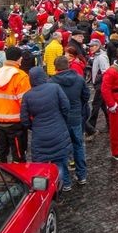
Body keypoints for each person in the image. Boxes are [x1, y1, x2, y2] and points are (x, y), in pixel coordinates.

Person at [21, 66, 75, 190]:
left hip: (39, 135)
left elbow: (24, 119)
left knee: (42, 165)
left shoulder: (27, 96)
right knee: (60, 162)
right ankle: (64, 184)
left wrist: (34, 126)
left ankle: (47, 188)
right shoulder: (55, 88)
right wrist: (61, 119)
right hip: (58, 131)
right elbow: (66, 106)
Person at [51, 55, 89, 187]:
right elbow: (86, 96)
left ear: (56, 68)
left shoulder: (52, 83)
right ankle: (82, 175)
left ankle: (66, 182)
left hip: (60, 120)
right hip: (75, 117)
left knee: (61, 149)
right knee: (78, 145)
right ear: (68, 65)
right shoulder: (79, 79)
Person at [0, 46, 31, 162]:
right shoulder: (21, 76)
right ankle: (18, 177)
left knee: (0, 153)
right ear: (19, 59)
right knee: (18, 155)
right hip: (16, 122)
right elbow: (25, 102)